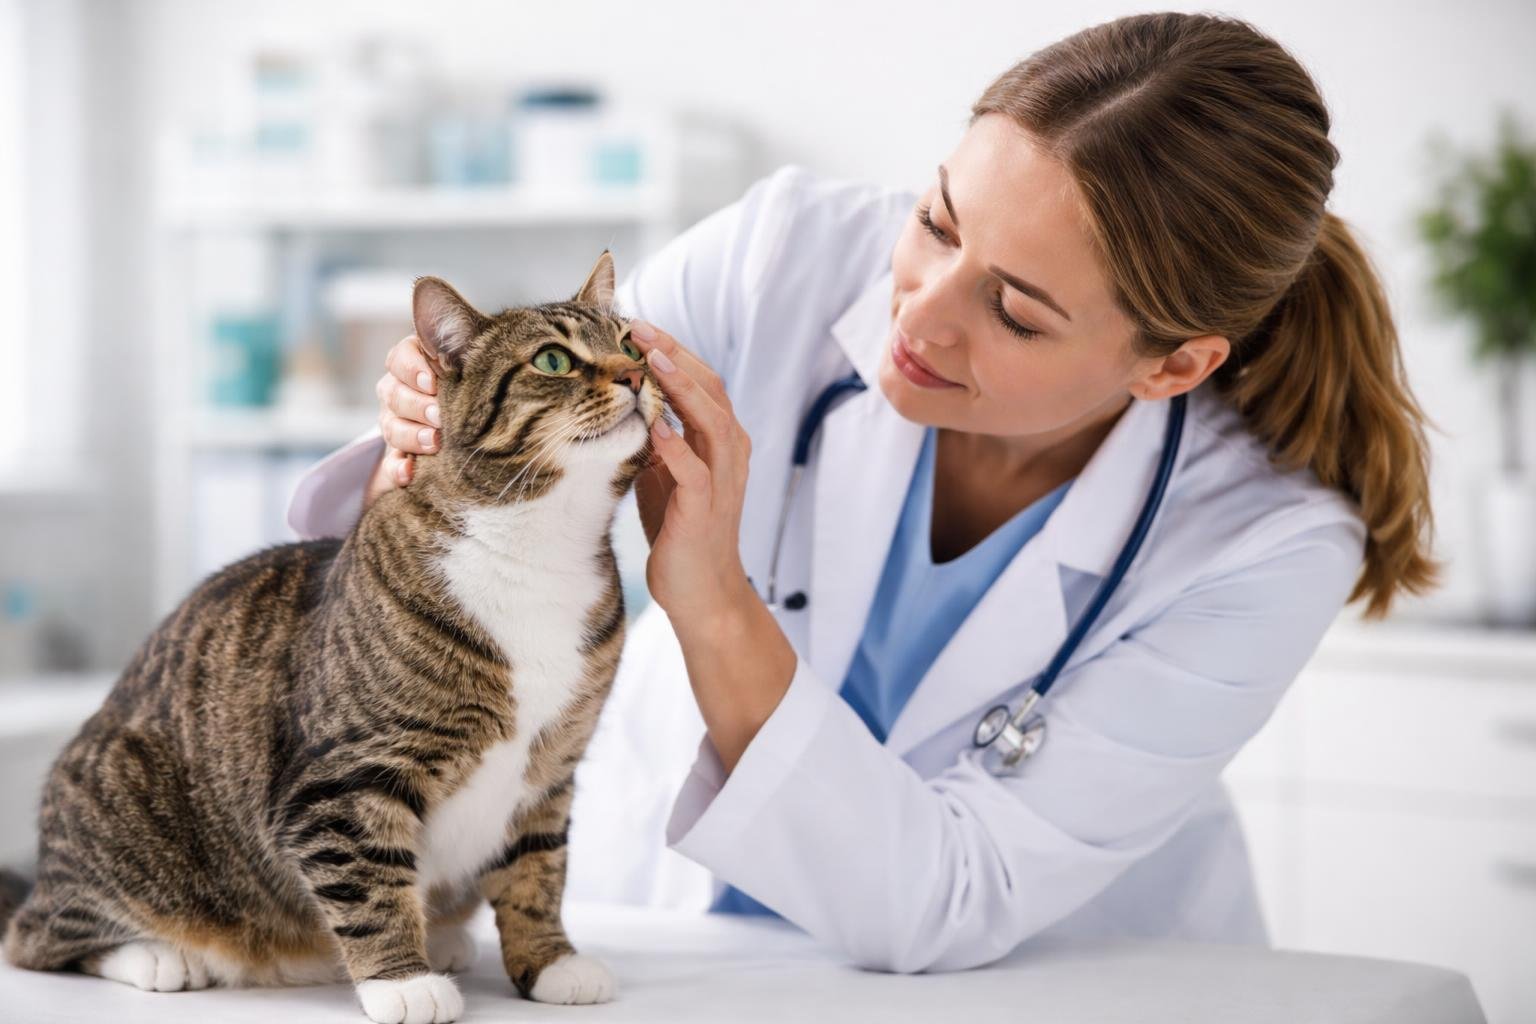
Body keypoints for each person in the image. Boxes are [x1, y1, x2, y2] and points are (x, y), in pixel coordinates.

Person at [286, 12, 1437, 974]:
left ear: (1174, 364)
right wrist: (426, 432)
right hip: (668, 934)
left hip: (1050, 985)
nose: (920, 314)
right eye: (936, 220)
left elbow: (947, 896)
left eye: (1019, 311)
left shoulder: (1264, 543)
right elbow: (434, 502)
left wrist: (715, 604)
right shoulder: (782, 257)